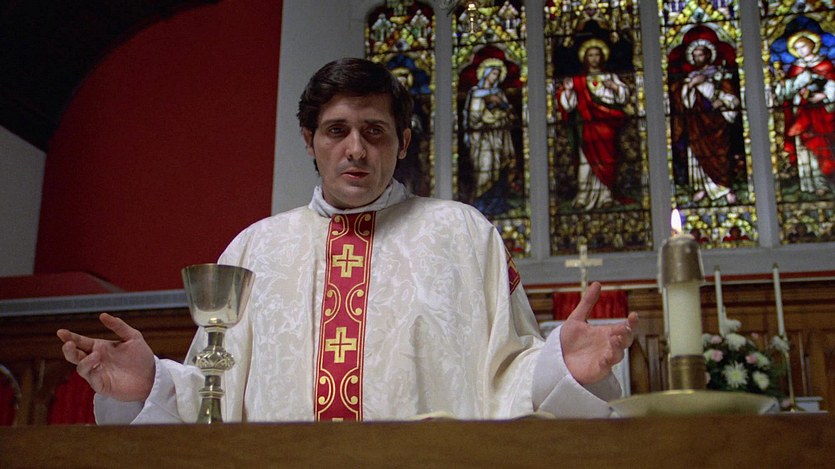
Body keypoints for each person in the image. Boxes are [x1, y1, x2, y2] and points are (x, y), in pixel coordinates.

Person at [57, 58, 638, 423]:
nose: (355, 149)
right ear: (309, 140)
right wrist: (150, 383)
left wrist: (560, 366)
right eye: (336, 131)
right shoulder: (254, 250)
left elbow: (506, 375)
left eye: (374, 131)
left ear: (402, 143)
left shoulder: (464, 235)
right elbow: (217, 395)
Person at [557, 39, 630, 210]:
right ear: (585, 58)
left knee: (607, 160)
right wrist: (568, 90)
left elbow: (624, 97)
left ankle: (606, 196)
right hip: (587, 126)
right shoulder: (578, 80)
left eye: (597, 54)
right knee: (585, 162)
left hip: (607, 125)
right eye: (590, 55)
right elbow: (569, 106)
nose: (594, 58)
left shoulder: (610, 77)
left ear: (602, 57)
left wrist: (615, 87)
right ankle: (583, 196)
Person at [671, 38, 743, 204]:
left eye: (701, 55)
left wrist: (722, 102)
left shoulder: (719, 74)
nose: (698, 58)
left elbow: (733, 99)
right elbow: (684, 102)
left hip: (717, 122)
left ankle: (725, 186)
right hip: (696, 123)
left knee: (720, 153)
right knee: (697, 153)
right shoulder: (690, 78)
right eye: (695, 56)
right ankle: (702, 186)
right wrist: (691, 85)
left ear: (708, 56)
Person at [776, 30, 835, 196]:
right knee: (803, 147)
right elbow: (786, 92)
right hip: (801, 112)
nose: (800, 51)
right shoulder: (796, 67)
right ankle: (811, 184)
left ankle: (826, 181)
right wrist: (788, 84)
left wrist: (824, 95)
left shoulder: (825, 64)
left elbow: (832, 83)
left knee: (823, 145)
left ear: (812, 45)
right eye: (797, 48)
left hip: (822, 113)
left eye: (803, 46)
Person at [463, 57, 516, 204]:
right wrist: (490, 115)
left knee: (498, 166)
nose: (495, 78)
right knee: (485, 166)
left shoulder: (499, 93)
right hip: (481, 138)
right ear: (486, 73)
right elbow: (473, 116)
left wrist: (502, 112)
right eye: (493, 74)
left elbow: (509, 114)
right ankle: (480, 201)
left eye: (497, 75)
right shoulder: (475, 92)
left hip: (498, 135)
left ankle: (496, 202)